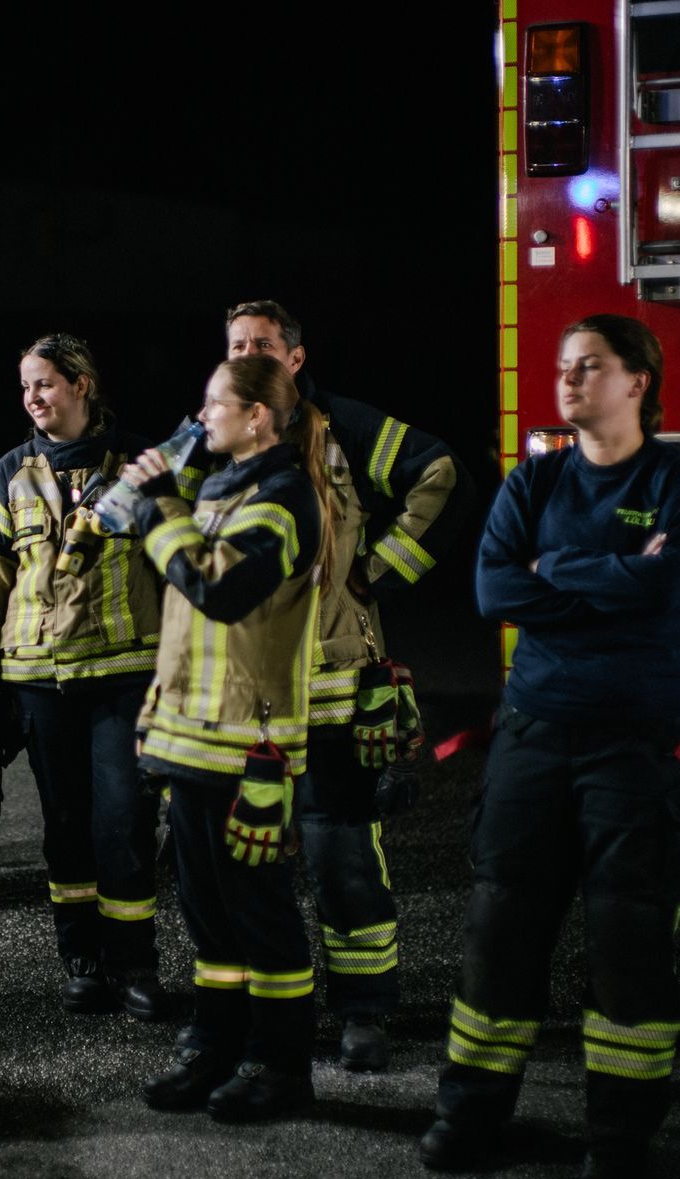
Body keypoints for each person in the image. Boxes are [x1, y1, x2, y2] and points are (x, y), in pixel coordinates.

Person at [418, 314, 680, 1179]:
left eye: (590, 365)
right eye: (564, 366)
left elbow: (668, 583)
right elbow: (492, 591)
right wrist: (611, 574)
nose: (569, 379)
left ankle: (619, 1135)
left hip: (641, 745)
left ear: (638, 382)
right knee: (499, 931)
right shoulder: (536, 480)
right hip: (534, 737)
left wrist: (553, 570)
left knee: (629, 940)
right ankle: (469, 1113)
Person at [225, 300, 470, 1071]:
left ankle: (365, 1011)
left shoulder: (342, 427)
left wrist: (381, 570)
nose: (248, 356)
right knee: (249, 868)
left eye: (263, 344)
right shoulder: (209, 430)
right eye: (237, 346)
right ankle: (273, 1017)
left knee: (345, 863)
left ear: (295, 358)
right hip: (246, 701)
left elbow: (440, 474)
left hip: (334, 695)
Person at [126, 355, 327, 1123]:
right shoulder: (220, 490)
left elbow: (219, 589)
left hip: (249, 749)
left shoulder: (284, 497)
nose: (202, 416)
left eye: (216, 404)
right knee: (208, 916)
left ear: (258, 417)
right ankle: (216, 1047)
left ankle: (283, 1069)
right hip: (191, 742)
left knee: (261, 918)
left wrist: (157, 506)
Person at [0, 333, 167, 1018]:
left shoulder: (140, 466)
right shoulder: (9, 474)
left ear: (81, 384)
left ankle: (134, 963)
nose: (32, 398)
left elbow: (181, 568)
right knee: (64, 826)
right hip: (40, 682)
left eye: (43, 383)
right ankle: (82, 960)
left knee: (124, 822)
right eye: (25, 387)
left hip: (126, 677)